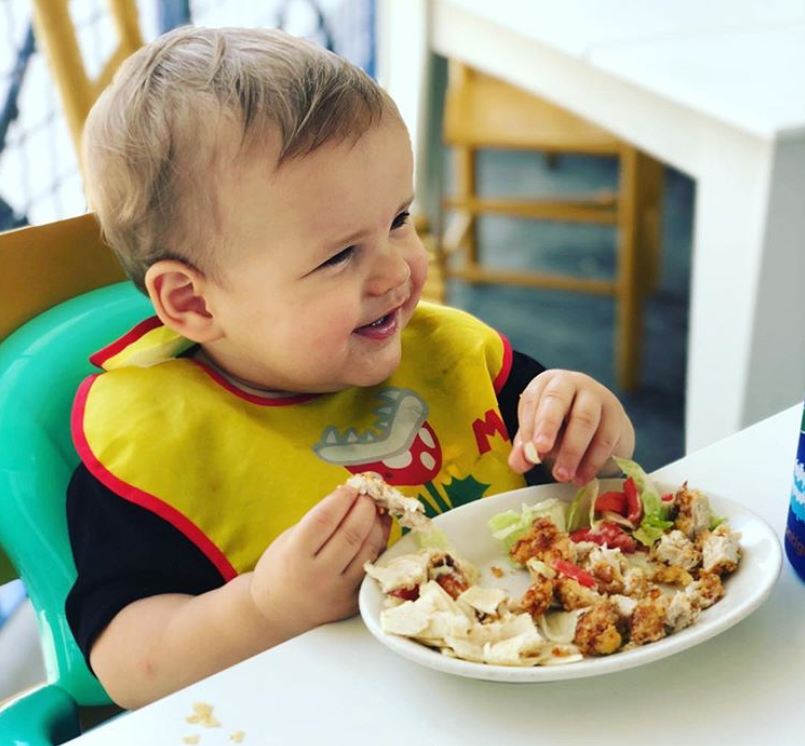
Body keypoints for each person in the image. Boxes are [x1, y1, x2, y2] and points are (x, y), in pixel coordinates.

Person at [66, 25, 635, 709]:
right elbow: (128, 672)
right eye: (340, 256)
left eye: (397, 218)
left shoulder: (446, 355)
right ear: (191, 300)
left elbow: (588, 488)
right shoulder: (155, 443)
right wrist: (266, 608)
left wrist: (589, 425)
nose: (397, 271)